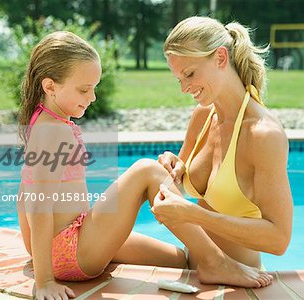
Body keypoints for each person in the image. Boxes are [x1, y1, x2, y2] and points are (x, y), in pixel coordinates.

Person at [16, 31, 190, 300]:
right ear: (50, 86)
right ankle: (215, 260)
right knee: (147, 170)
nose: (93, 97)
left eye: (94, 87)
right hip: (70, 250)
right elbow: (38, 206)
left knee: (180, 260)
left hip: (74, 240)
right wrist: (45, 280)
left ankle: (208, 258)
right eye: (85, 89)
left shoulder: (45, 121)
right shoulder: (52, 132)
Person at [151, 16, 293, 286]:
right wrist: (174, 167)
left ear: (220, 57)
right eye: (178, 78)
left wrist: (194, 214)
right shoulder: (204, 115)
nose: (184, 88)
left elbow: (279, 239)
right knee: (100, 252)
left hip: (237, 279)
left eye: (189, 74)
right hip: (195, 265)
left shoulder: (263, 135)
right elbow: (177, 192)